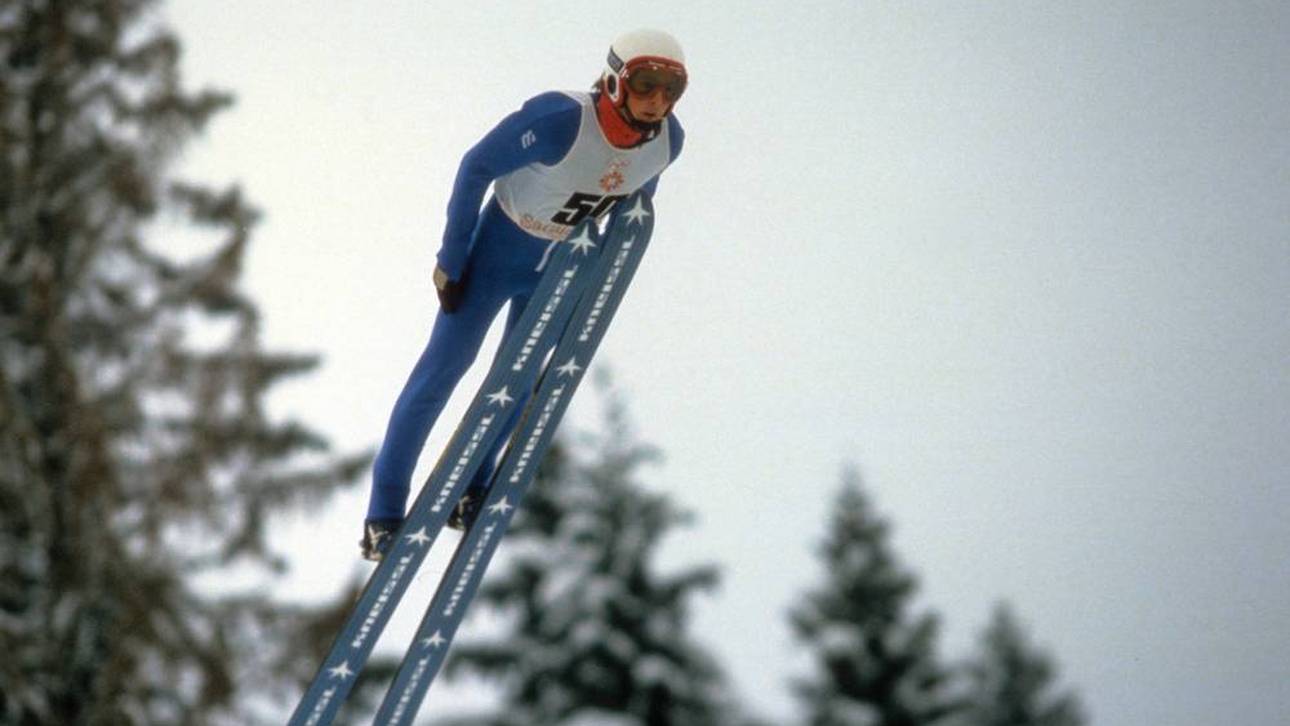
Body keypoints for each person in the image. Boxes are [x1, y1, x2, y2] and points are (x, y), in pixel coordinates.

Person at [360, 29, 688, 560]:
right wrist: (452, 258)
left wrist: (599, 276)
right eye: (645, 84)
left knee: (517, 380)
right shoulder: (559, 120)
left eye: (671, 89)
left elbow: (633, 214)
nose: (657, 101)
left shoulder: (669, 143)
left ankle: (472, 487)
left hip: (559, 268)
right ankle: (384, 513)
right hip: (495, 254)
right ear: (613, 81)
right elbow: (476, 166)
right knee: (442, 371)